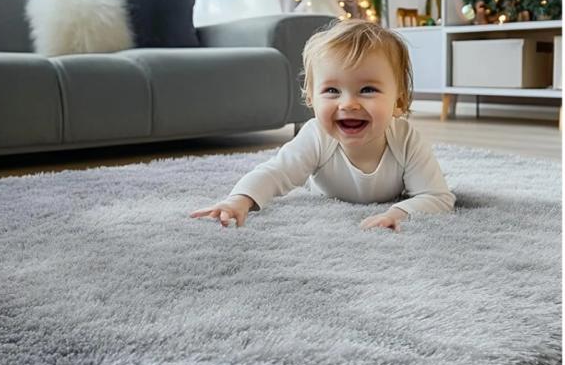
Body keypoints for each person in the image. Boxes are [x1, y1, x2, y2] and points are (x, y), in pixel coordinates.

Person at [190, 19, 455, 232]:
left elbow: (438, 197)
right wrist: (239, 199)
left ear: (398, 101)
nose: (348, 104)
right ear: (311, 99)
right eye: (331, 91)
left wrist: (398, 212)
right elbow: (275, 173)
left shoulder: (406, 139)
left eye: (367, 89)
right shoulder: (317, 136)